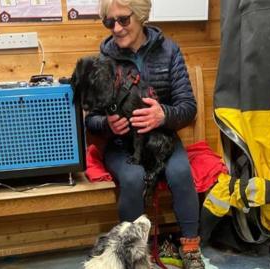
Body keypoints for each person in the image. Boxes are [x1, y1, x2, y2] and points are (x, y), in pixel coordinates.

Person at [84, 0, 204, 268]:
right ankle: (134, 255)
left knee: (181, 173)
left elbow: (188, 108)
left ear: (140, 17)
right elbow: (90, 119)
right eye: (109, 22)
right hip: (122, 145)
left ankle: (191, 248)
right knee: (133, 176)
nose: (116, 28)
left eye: (123, 20)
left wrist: (163, 114)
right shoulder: (103, 61)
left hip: (163, 140)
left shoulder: (170, 51)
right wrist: (107, 124)